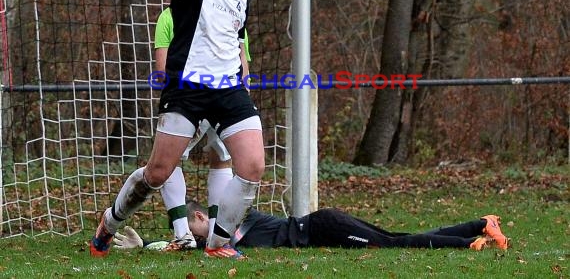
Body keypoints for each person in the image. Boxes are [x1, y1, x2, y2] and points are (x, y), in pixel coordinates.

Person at [90, 0, 265, 260]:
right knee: (158, 173)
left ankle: (216, 245)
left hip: (229, 90)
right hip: (187, 91)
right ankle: (109, 223)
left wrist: (243, 69)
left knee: (253, 166)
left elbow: (235, 39)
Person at [153, 6, 252, 250]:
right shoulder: (232, 13)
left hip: (189, 102)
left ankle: (183, 234)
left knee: (168, 162)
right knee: (221, 160)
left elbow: (162, 70)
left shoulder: (170, 15)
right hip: (228, 100)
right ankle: (216, 239)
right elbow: (243, 68)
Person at [113, 201, 511, 251]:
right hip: (325, 224)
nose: (196, 235)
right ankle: (481, 224)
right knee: (394, 238)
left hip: (323, 227)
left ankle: (468, 243)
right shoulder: (219, 233)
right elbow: (193, 247)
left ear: (202, 217)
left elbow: (216, 243)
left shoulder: (235, 219)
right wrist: (148, 243)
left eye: (193, 227)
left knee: (392, 245)